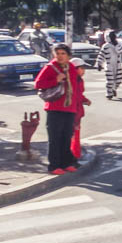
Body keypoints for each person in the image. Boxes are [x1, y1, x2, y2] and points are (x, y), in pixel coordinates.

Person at [34, 44, 80, 174]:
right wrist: (56, 80)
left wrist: (77, 108)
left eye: (63, 53)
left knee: (66, 137)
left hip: (69, 108)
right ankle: (54, 166)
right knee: (55, 138)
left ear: (68, 55)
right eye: (57, 53)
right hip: (54, 108)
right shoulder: (50, 67)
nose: (60, 56)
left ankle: (66, 163)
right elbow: (38, 84)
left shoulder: (71, 67)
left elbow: (75, 89)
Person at [69, 57, 92, 163]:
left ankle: (75, 155)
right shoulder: (72, 81)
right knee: (72, 136)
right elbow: (75, 97)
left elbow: (79, 95)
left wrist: (85, 100)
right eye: (81, 68)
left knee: (75, 136)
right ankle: (73, 156)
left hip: (77, 112)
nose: (84, 71)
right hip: (73, 113)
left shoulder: (79, 80)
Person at [96, 30, 122, 99]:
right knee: (110, 80)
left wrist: (116, 44)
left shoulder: (119, 44)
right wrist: (99, 64)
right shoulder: (105, 46)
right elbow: (101, 55)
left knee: (119, 79)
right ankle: (109, 93)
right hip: (109, 65)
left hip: (117, 65)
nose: (114, 37)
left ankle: (114, 88)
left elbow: (121, 52)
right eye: (112, 36)